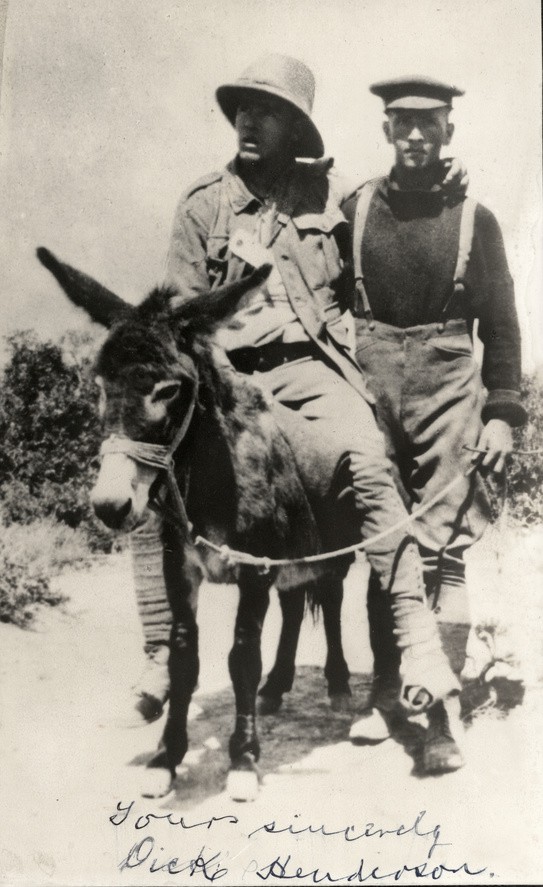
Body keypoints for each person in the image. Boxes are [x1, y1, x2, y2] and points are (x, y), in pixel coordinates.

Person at [127, 56, 464, 769]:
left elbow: (398, 207)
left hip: (310, 371)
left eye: (267, 110)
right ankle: (160, 647)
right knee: (150, 466)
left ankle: (418, 650)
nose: (250, 121)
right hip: (225, 382)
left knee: (370, 464)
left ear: (293, 126)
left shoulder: (330, 193)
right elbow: (178, 319)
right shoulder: (202, 205)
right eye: (242, 109)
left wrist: (446, 185)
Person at [341, 76, 527, 771]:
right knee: (382, 541)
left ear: (448, 130)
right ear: (386, 131)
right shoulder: (356, 208)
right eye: (401, 123)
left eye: (429, 123)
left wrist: (502, 413)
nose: (414, 135)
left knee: (443, 548)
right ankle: (385, 694)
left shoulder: (475, 219)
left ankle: (440, 713)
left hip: (450, 386)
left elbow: (502, 328)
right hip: (370, 385)